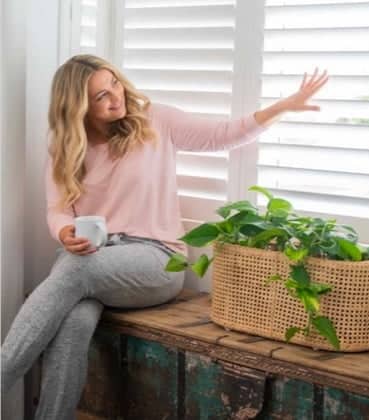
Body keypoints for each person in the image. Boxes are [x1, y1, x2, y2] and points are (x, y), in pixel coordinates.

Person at [0, 54, 328, 419]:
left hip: (154, 258)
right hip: (95, 261)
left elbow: (222, 135)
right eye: (100, 97)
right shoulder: (65, 148)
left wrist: (283, 107)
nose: (116, 97)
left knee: (73, 270)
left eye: (115, 84)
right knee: (74, 321)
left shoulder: (156, 120)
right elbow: (58, 208)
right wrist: (64, 232)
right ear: (78, 108)